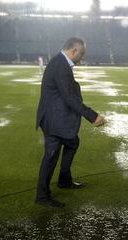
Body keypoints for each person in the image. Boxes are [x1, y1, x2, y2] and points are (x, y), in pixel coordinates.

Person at [35, 37, 104, 208]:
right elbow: (69, 97)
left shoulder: (60, 63)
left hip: (55, 116)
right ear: (74, 51)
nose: (82, 57)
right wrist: (92, 115)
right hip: (53, 119)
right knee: (51, 156)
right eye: (81, 53)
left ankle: (64, 180)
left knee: (73, 142)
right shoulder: (61, 65)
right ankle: (42, 196)